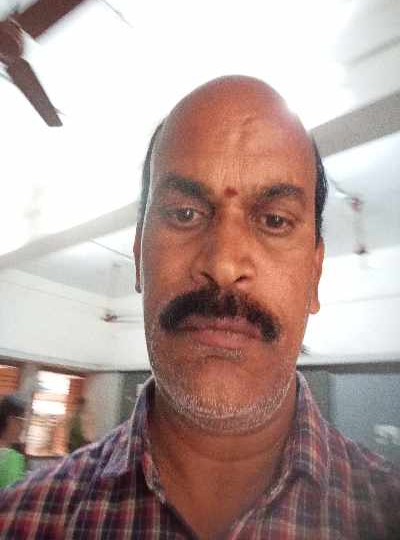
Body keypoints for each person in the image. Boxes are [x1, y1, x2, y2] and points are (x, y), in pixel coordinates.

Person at [0, 76, 399, 538]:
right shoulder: (20, 521)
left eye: (274, 220)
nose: (224, 264)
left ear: (314, 274)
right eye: (185, 214)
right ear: (139, 257)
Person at [0, 395, 26, 488]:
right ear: (10, 421)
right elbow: (13, 495)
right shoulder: (12, 459)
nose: (23, 426)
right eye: (21, 420)